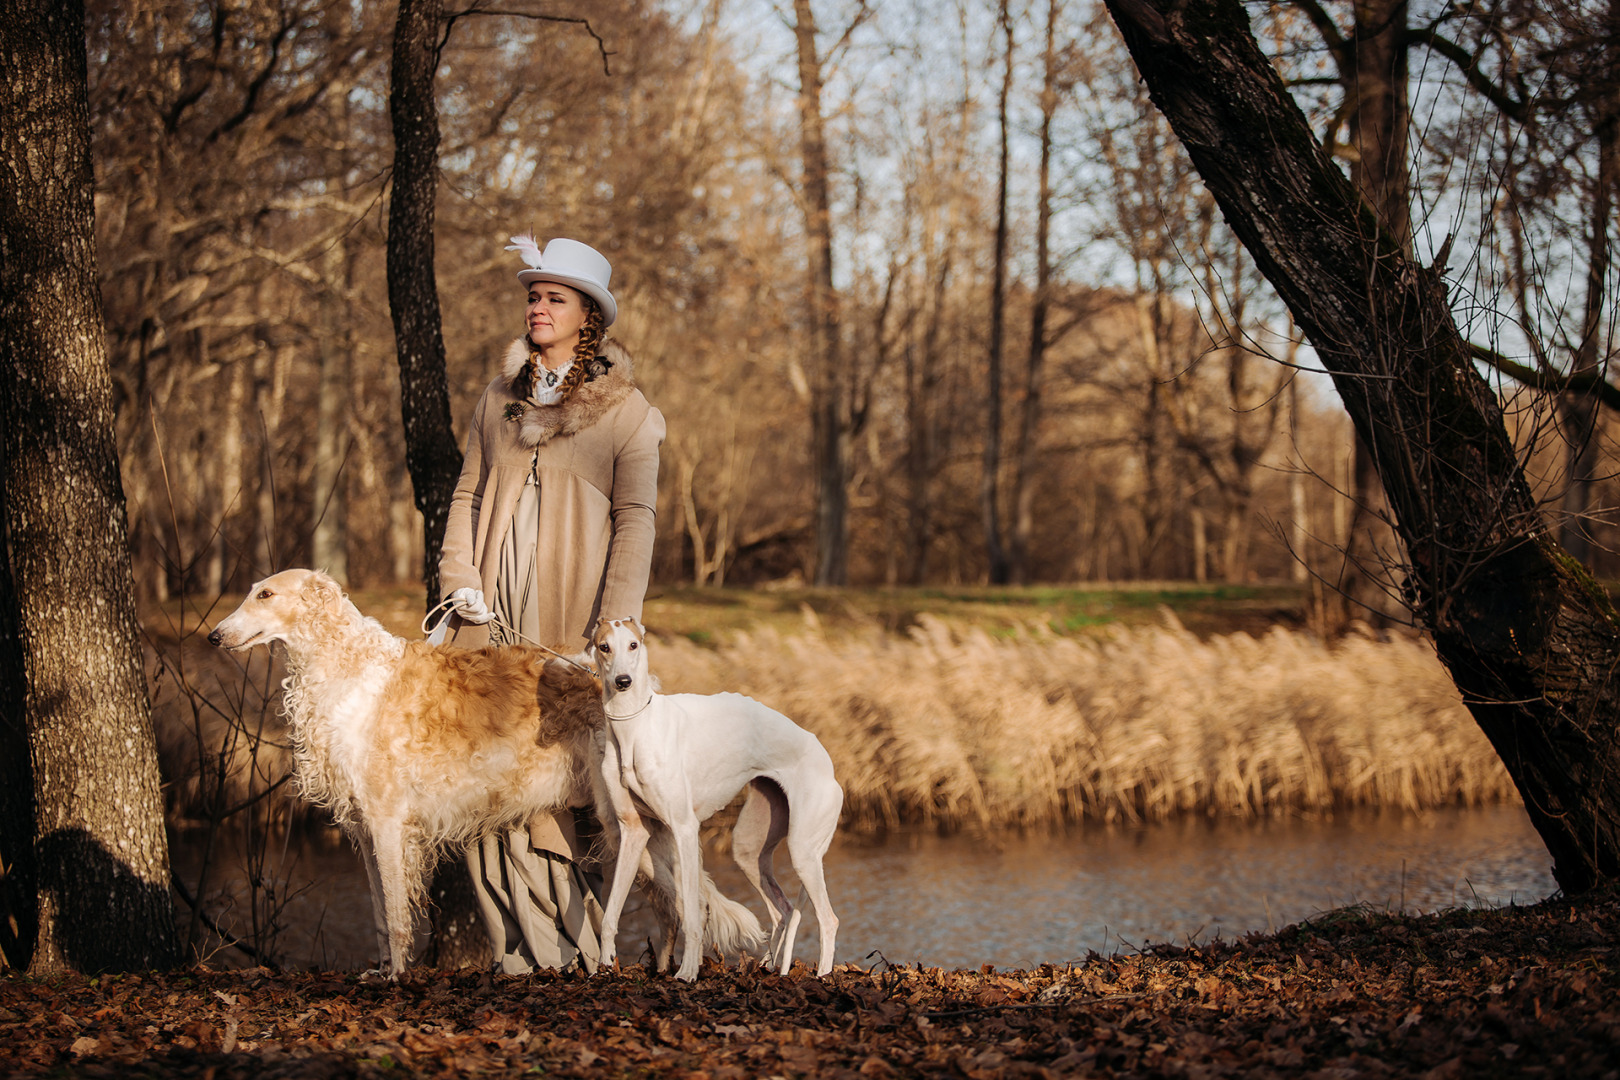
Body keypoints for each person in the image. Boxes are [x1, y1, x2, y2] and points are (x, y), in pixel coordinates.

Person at [437, 234, 665, 974]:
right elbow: (467, 496)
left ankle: (579, 956)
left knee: (565, 791)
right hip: (487, 627)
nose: (538, 306)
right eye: (533, 295)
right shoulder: (497, 401)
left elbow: (637, 521)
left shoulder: (627, 415)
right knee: (482, 785)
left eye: (554, 297)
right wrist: (457, 580)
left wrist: (611, 628)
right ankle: (517, 958)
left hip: (570, 629)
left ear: (587, 316)